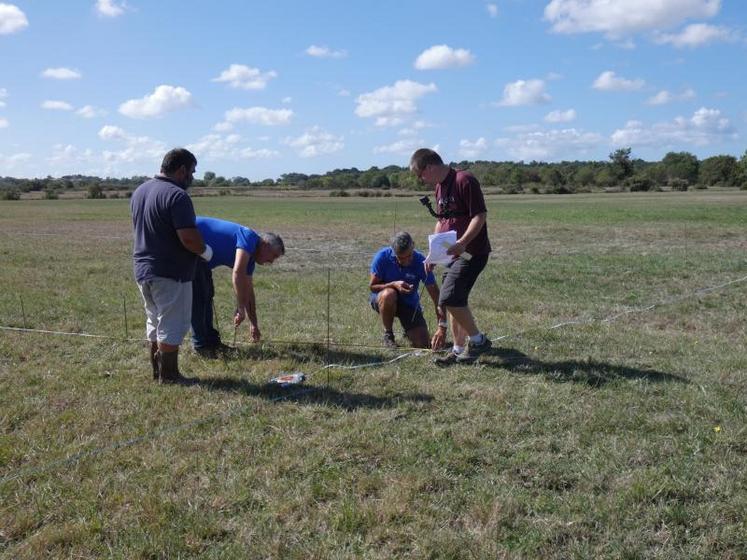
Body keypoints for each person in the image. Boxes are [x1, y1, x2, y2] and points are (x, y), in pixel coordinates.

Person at [130, 148, 212, 384]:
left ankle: (157, 371)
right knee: (172, 323)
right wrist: (205, 252)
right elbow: (188, 238)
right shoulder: (177, 196)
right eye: (192, 172)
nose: (193, 179)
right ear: (182, 170)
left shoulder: (140, 191)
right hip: (171, 272)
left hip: (143, 269)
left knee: (154, 320)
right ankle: (169, 375)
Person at [409, 148, 492, 365]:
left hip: (471, 252)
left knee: (449, 297)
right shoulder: (439, 188)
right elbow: (442, 221)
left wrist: (462, 243)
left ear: (429, 167)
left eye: (420, 174)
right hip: (453, 254)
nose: (421, 180)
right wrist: (433, 254)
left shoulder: (465, 180)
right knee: (456, 300)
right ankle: (457, 351)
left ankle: (478, 340)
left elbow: (479, 215)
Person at [191, 216, 285, 355]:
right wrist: (240, 308)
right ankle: (201, 346)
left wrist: (254, 324)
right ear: (265, 245)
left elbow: (248, 291)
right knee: (199, 297)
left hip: (201, 260)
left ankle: (212, 343)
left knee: (207, 295)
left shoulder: (251, 258)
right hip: (189, 244)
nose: (271, 261)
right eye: (273, 256)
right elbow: (238, 272)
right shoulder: (249, 237)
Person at [369, 231, 447, 349]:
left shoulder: (421, 261)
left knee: (423, 344)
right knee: (389, 294)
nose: (406, 261)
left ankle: (409, 330)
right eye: (401, 258)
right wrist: (394, 284)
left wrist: (442, 327)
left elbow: (436, 296)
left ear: (413, 246)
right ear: (393, 252)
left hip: (409, 304)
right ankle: (388, 335)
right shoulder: (382, 257)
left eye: (409, 256)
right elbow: (372, 286)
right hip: (383, 299)